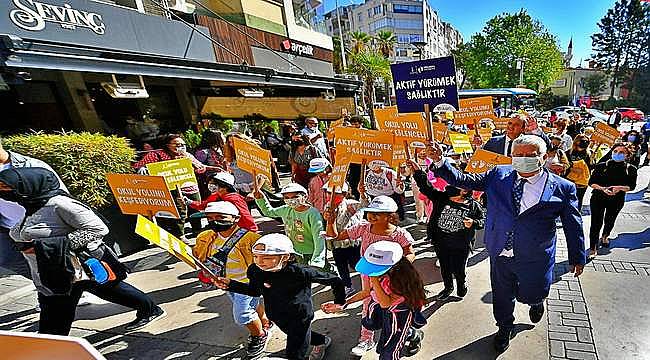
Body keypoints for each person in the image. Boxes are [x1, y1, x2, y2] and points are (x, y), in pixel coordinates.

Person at [427, 135, 586, 353]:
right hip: (500, 249)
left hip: (535, 256)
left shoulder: (563, 188)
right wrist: (439, 161)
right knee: (502, 295)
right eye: (518, 155)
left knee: (533, 292)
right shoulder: (498, 174)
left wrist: (577, 257)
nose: (523, 159)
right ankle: (504, 327)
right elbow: (465, 180)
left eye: (530, 155)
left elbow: (573, 225)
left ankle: (536, 301)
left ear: (544, 156)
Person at [0, 167, 164, 335]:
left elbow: (98, 229)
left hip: (75, 267)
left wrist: (52, 247)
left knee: (57, 313)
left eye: (5, 186)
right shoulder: (32, 205)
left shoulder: (60, 204)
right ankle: (150, 309)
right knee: (107, 290)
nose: (2, 191)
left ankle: (52, 346)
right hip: (55, 269)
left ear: (29, 185)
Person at [213, 234, 345, 360]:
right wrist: (231, 285)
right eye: (256, 256)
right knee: (294, 335)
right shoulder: (255, 270)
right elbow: (254, 292)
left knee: (294, 354)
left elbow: (335, 280)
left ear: (285, 256)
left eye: (266, 257)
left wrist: (339, 301)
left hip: (299, 316)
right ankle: (322, 341)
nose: (259, 261)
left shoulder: (300, 272)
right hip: (276, 315)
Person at [325, 195, 415, 357]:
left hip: (393, 279)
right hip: (368, 274)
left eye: (378, 213)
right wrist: (330, 221)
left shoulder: (400, 234)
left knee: (394, 309)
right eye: (370, 212)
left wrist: (396, 268)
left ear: (390, 216)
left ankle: (408, 333)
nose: (372, 216)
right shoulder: (363, 227)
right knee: (368, 305)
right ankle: (366, 339)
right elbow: (336, 236)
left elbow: (410, 253)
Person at [322, 241, 427, 360]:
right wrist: (343, 304)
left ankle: (411, 335)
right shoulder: (376, 274)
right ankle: (412, 334)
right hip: (381, 309)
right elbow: (366, 292)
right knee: (382, 329)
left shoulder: (401, 280)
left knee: (390, 350)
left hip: (399, 314)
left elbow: (386, 303)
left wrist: (374, 278)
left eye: (373, 268)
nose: (368, 272)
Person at [192, 201, 271, 358]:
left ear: (235, 218)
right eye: (210, 217)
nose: (215, 221)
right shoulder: (206, 237)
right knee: (250, 305)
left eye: (220, 217)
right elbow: (199, 255)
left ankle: (259, 335)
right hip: (227, 283)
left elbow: (265, 261)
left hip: (247, 283)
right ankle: (265, 321)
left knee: (242, 314)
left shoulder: (251, 239)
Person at [407, 159, 485, 300]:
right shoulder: (441, 198)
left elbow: (482, 220)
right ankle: (448, 287)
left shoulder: (473, 205)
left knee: (459, 268)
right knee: (445, 267)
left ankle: (461, 284)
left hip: (461, 244)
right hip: (441, 241)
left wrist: (473, 222)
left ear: (464, 191)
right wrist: (417, 172)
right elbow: (426, 188)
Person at [0, 136, 68, 278]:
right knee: (8, 260)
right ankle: (51, 284)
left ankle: (65, 286)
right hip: (9, 228)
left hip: (42, 224)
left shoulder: (30, 164)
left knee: (57, 261)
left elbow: (60, 195)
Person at [132, 134, 207, 239]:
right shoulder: (156, 155)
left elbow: (201, 168)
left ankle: (198, 232)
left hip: (190, 187)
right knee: (179, 213)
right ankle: (180, 235)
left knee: (196, 209)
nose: (180, 146)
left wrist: (192, 163)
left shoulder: (187, 155)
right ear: (167, 145)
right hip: (171, 189)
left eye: (182, 144)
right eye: (177, 144)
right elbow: (138, 167)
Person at [254, 182, 327, 269]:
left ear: (305, 197)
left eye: (295, 197)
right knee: (302, 273)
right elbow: (269, 212)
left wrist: (317, 260)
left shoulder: (312, 214)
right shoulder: (286, 209)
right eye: (286, 198)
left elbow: (319, 238)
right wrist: (260, 198)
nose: (291, 200)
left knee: (322, 272)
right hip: (295, 250)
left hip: (312, 250)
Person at [588, 143, 638, 259]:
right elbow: (591, 182)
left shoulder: (631, 169)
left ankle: (605, 236)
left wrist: (619, 188)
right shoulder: (601, 166)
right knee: (595, 223)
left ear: (627, 155)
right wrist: (603, 189)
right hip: (598, 198)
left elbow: (632, 186)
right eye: (615, 151)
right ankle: (593, 248)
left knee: (610, 220)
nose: (617, 154)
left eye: (621, 152)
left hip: (617, 199)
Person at [322, 182, 368, 295]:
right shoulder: (327, 206)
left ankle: (368, 282)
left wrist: (362, 193)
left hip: (352, 242)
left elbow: (365, 205)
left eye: (335, 194)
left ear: (343, 194)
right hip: (337, 243)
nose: (330, 196)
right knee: (341, 266)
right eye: (328, 193)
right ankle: (347, 285)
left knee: (356, 264)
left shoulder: (350, 204)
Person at [186, 172, 258, 232]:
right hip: (221, 229)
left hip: (237, 230)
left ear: (225, 186)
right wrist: (189, 202)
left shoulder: (235, 199)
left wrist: (252, 230)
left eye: (214, 183)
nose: (211, 186)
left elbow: (245, 215)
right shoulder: (216, 196)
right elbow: (204, 205)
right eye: (210, 183)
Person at [482, 115, 549, 156]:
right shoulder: (493, 141)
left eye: (516, 124)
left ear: (523, 129)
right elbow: (483, 157)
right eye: (510, 123)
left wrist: (536, 130)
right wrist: (478, 146)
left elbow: (548, 147)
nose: (511, 126)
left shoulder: (529, 142)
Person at [565, 135, 593, 211]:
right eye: (582, 141)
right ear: (576, 141)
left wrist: (592, 161)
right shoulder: (568, 153)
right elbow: (564, 165)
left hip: (582, 182)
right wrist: (572, 168)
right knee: (568, 199)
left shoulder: (589, 153)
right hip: (569, 181)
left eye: (587, 141)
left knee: (579, 200)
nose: (585, 143)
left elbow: (591, 167)